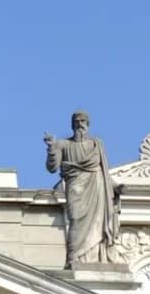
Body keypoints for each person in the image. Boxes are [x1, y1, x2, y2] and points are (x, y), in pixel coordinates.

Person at [44, 110, 119, 267]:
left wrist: (116, 187)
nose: (80, 124)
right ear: (72, 125)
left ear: (88, 124)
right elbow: (52, 167)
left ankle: (97, 258)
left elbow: (104, 172)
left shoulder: (97, 144)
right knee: (76, 221)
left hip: (97, 187)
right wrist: (51, 148)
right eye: (77, 121)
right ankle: (74, 259)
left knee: (98, 224)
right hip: (75, 189)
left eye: (83, 121)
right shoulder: (63, 144)